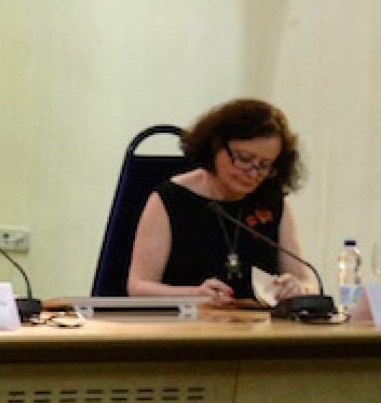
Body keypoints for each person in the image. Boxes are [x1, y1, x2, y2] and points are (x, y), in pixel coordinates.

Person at [128, 98, 310, 305]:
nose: (252, 173)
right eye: (244, 158)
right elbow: (138, 286)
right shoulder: (170, 198)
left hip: (259, 330)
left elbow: (307, 281)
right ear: (215, 146)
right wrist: (194, 295)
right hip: (186, 327)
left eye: (265, 165)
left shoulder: (271, 200)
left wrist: (299, 287)